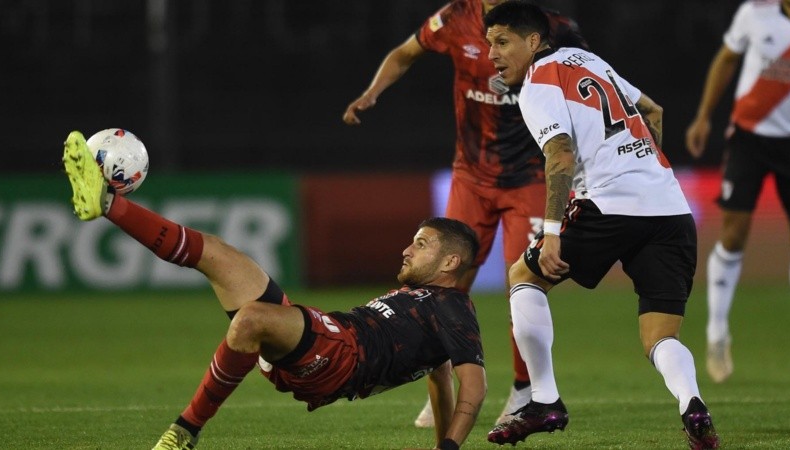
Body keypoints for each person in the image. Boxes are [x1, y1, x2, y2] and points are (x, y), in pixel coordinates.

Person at [61, 131, 487, 450]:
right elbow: (439, 374)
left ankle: (183, 433)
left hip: (341, 359)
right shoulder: (429, 306)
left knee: (251, 319)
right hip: (324, 337)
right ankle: (109, 204)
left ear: (451, 262)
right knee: (218, 254)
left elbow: (474, 385)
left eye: (422, 244)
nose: (406, 249)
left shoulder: (454, 307)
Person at [481, 2, 719, 449]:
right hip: (669, 207)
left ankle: (544, 400)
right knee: (659, 337)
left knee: (523, 276)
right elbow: (655, 110)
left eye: (502, 41)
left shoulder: (537, 83)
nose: (492, 54)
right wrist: (643, 171)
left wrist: (551, 232)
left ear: (533, 41)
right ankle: (693, 404)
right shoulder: (588, 60)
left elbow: (562, 156)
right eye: (489, 43)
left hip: (607, 206)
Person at [343, 0, 588, 427]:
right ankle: (440, 386)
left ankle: (523, 390)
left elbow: (591, 79)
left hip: (530, 178)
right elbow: (405, 52)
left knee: (526, 285)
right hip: (471, 177)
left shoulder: (554, 27)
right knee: (438, 287)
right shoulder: (455, 17)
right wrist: (371, 92)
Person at [685, 0, 790, 384]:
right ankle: (716, 332)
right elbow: (727, 60)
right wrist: (703, 117)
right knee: (734, 232)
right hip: (749, 137)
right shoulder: (755, 12)